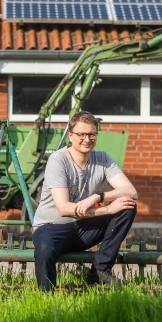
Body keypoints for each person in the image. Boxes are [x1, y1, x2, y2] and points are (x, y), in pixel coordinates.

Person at [32, 110, 138, 291]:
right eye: (81, 134)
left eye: (92, 134)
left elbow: (131, 191)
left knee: (128, 206)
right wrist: (107, 210)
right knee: (44, 248)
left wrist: (98, 197)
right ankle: (45, 295)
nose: (87, 139)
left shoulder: (102, 158)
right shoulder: (58, 160)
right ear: (71, 136)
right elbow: (64, 209)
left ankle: (99, 270)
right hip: (52, 228)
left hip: (84, 228)